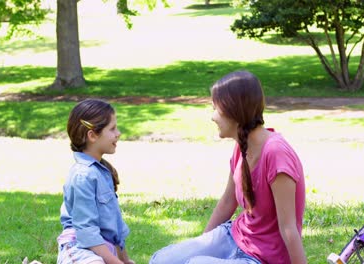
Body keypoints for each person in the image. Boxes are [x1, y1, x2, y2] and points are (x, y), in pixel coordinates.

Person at [150, 70, 307, 264]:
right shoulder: (241, 145)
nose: (212, 117)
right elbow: (227, 202)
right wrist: (201, 244)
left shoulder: (276, 153)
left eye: (215, 108)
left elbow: (289, 228)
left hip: (263, 259)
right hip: (234, 237)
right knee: (162, 260)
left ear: (234, 110)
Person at [56, 99, 136, 264]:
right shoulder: (82, 176)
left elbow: (116, 228)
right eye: (112, 129)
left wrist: (125, 261)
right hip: (78, 249)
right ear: (92, 135)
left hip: (103, 250)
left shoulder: (102, 172)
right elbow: (86, 232)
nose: (118, 133)